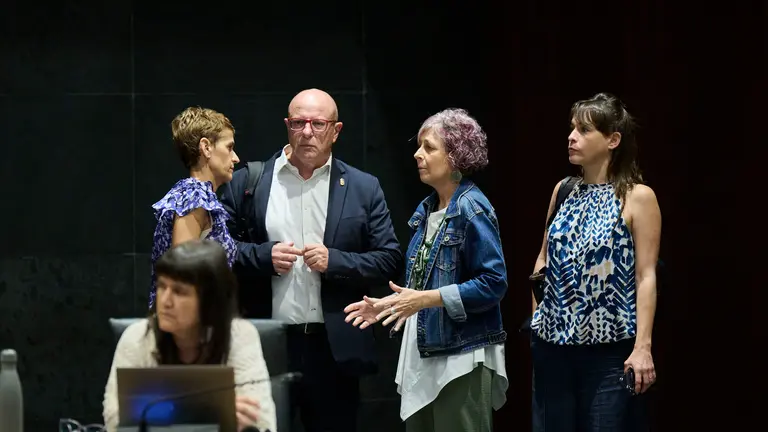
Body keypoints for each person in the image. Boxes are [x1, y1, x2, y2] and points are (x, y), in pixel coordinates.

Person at [218, 88, 404, 432]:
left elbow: (389, 259)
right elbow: (217, 249)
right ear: (287, 125)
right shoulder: (250, 181)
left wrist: (335, 261)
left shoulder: (364, 187)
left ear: (336, 130)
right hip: (265, 343)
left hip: (333, 349)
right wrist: (263, 255)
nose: (307, 132)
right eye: (298, 122)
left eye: (318, 124)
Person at [343, 108, 509, 432]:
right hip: (427, 351)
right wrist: (388, 305)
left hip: (461, 356)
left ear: (456, 154)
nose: (418, 154)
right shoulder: (428, 209)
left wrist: (423, 300)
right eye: (420, 146)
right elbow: (420, 286)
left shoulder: (472, 207)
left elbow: (493, 283)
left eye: (429, 147)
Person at [528, 93, 661, 431]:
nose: (571, 137)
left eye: (584, 130)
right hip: (553, 348)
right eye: (572, 128)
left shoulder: (637, 197)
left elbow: (646, 276)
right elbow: (542, 259)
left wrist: (642, 348)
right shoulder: (563, 190)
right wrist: (536, 322)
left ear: (613, 140)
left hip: (608, 354)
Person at [102, 239, 276, 432]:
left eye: (179, 291)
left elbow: (262, 423)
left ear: (209, 302)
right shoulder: (137, 337)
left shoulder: (240, 336)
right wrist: (214, 416)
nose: (165, 301)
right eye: (162, 286)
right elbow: (114, 421)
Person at [148, 106, 240, 309]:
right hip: (190, 326)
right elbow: (182, 274)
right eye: (229, 147)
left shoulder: (194, 195)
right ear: (206, 147)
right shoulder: (195, 197)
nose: (236, 158)